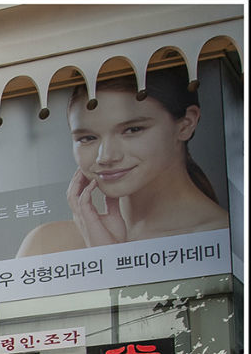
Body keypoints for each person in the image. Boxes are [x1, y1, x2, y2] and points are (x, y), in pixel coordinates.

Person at [18, 66, 227, 258]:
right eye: (87, 138)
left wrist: (110, 261)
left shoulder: (226, 234)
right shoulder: (45, 245)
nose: (106, 157)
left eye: (132, 130)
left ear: (186, 124)